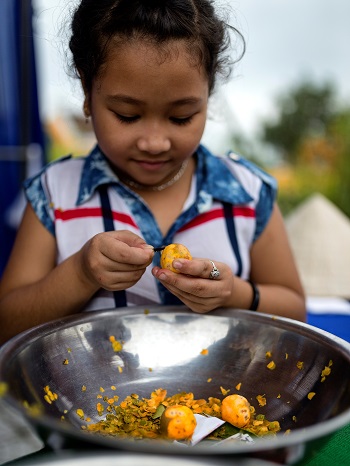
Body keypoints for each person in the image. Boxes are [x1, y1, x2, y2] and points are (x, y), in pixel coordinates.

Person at [0, 0, 306, 344]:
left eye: (181, 117)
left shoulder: (247, 193)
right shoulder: (55, 194)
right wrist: (81, 272)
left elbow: (295, 309)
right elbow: (7, 324)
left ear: (208, 93)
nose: (155, 142)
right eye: (127, 115)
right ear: (87, 92)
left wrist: (232, 291)